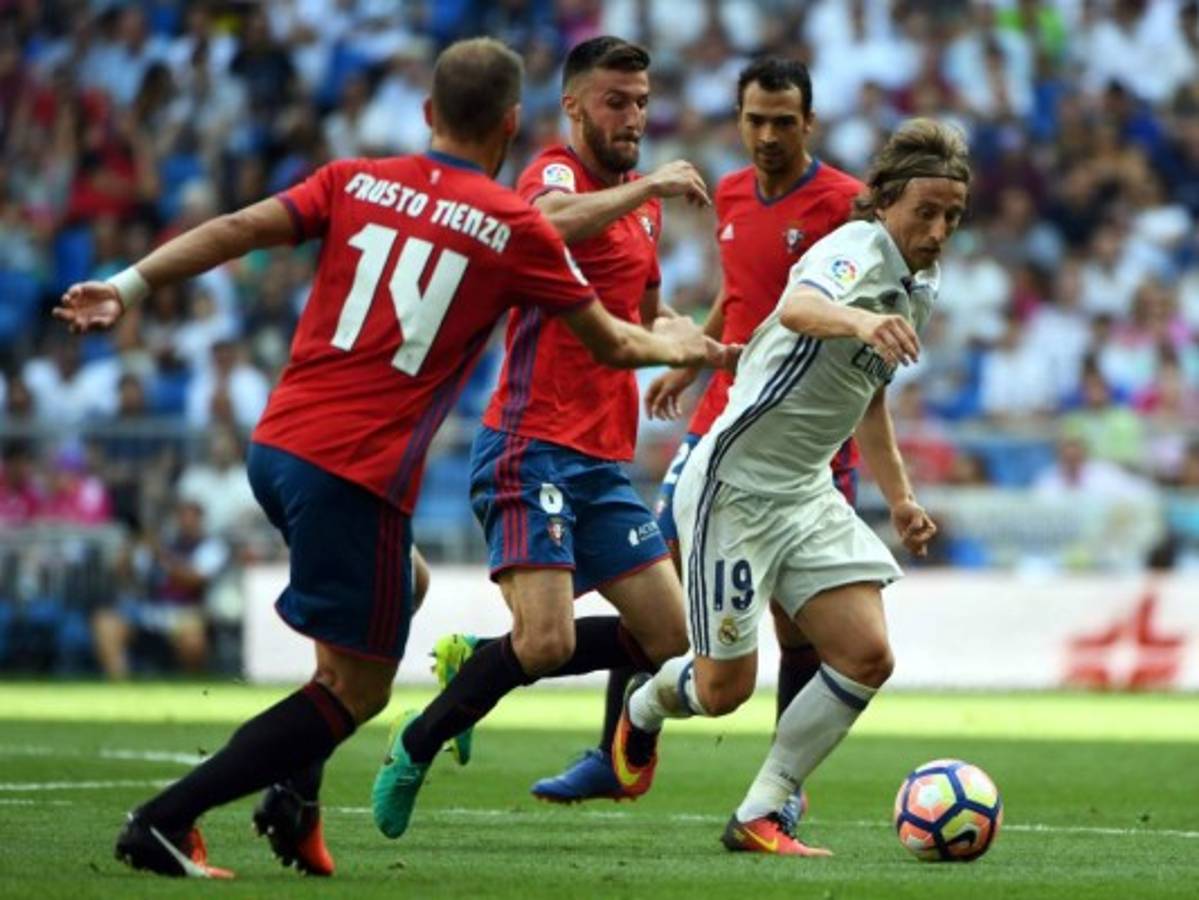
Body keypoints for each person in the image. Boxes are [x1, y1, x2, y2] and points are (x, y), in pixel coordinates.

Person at [54, 37, 725, 880]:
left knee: (403, 589)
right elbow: (614, 338)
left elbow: (234, 227)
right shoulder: (514, 220)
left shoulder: (352, 179)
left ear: (425, 114)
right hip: (357, 470)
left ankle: (292, 800)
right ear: (518, 122)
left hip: (279, 443)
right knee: (356, 692)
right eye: (617, 101)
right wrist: (696, 351)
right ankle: (164, 819)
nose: (632, 117)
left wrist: (128, 285)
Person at [370, 35, 718, 840]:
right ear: (572, 106)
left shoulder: (644, 201)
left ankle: (480, 658)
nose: (632, 117)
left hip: (601, 457)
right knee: (548, 637)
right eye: (614, 101)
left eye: (640, 102)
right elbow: (546, 223)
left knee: (671, 643)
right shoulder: (554, 174)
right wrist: (645, 191)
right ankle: (416, 742)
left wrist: (694, 344)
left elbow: (642, 314)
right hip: (532, 445)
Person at [612, 118, 969, 856]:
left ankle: (761, 811)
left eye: (951, 217)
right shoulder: (852, 249)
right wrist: (861, 321)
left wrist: (899, 497)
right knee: (722, 692)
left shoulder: (918, 284)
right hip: (734, 486)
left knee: (868, 654)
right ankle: (644, 703)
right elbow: (798, 309)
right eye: (925, 213)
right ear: (885, 203)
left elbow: (866, 397)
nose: (937, 231)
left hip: (804, 491)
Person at [529, 57, 867, 815]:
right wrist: (693, 356)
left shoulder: (846, 206)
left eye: (784, 121)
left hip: (805, 437)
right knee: (653, 572)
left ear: (807, 123)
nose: (769, 135)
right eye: (756, 120)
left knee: (795, 619)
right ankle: (618, 753)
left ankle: (783, 790)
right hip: (720, 417)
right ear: (738, 119)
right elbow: (740, 291)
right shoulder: (735, 191)